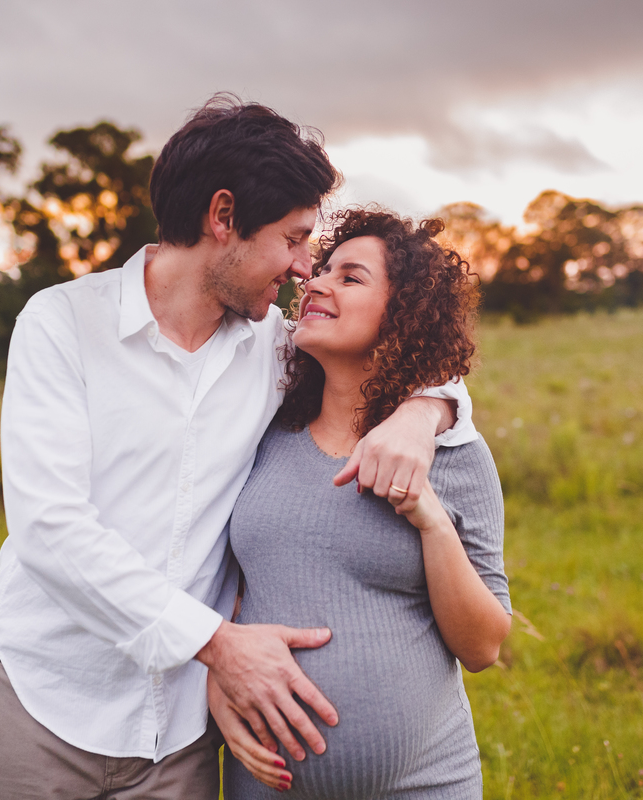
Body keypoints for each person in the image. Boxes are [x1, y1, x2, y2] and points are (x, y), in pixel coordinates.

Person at [0, 97, 476, 800]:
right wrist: (217, 645)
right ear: (223, 217)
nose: (305, 269)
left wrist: (425, 411)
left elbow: (402, 351)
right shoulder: (61, 325)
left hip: (178, 735)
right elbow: (50, 529)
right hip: (48, 704)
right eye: (295, 239)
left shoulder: (276, 350)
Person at [210, 209, 512, 798]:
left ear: (402, 316)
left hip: (425, 783)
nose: (315, 282)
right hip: (265, 785)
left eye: (350, 277)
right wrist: (215, 677)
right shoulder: (261, 433)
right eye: (319, 271)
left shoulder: (452, 455)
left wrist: (431, 522)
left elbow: (483, 647)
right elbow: (216, 581)